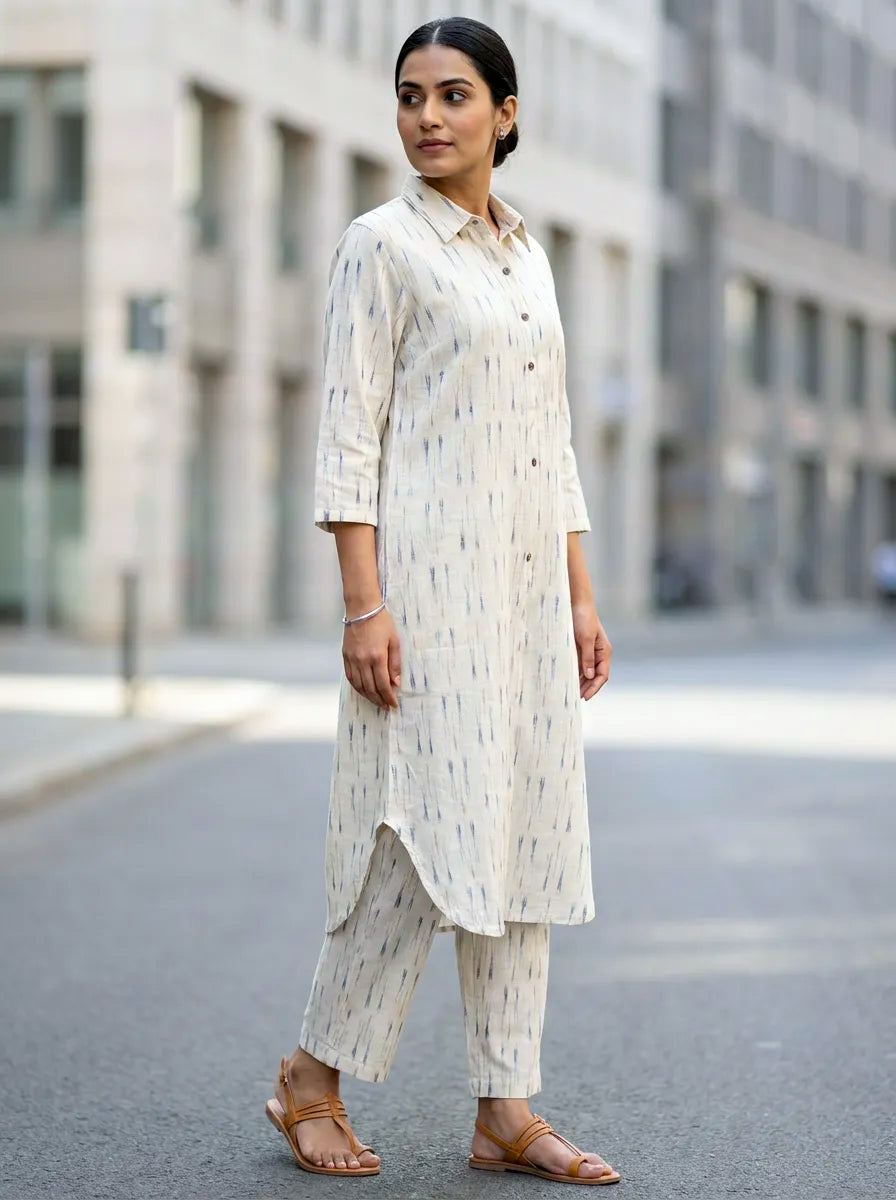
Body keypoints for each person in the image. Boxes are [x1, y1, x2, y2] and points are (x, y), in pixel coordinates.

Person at [266, 16, 619, 1187]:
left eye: (454, 94)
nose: (427, 115)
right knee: (413, 837)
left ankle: (503, 1107)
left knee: (522, 837)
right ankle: (310, 1075)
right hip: (423, 595)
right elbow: (347, 436)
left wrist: (577, 599)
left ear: (504, 114)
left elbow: (549, 443)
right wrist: (362, 606)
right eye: (411, 94)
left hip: (523, 605)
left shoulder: (527, 256)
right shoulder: (379, 245)